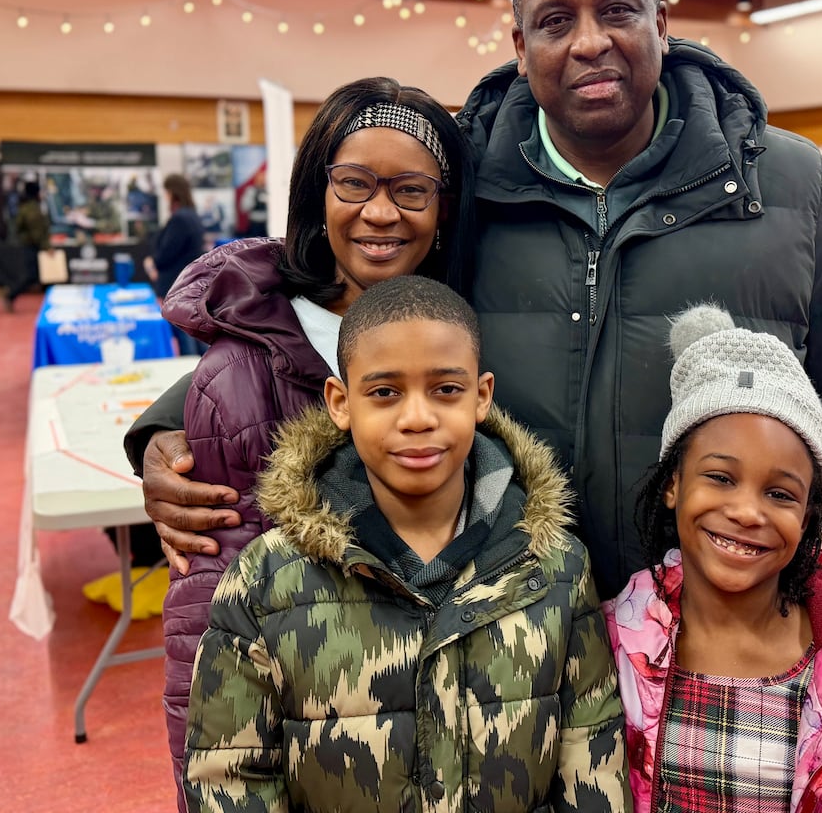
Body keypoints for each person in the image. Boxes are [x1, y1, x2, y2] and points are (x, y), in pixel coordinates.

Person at [126, 0, 822, 808]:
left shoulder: (796, 195)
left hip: (710, 668)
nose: (590, 42)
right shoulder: (463, 187)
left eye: (618, 9)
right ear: (520, 44)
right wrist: (170, 423)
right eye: (556, 20)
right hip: (514, 664)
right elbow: (329, 300)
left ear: (662, 19)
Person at [182, 274, 631, 812]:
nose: (417, 418)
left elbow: (592, 760)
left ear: (481, 396)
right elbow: (229, 778)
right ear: (340, 402)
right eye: (384, 393)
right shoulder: (268, 582)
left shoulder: (555, 568)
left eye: (446, 390)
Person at [151, 77, 476, 808]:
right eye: (354, 183)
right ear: (316, 194)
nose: (380, 212)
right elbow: (206, 632)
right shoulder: (242, 378)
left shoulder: (462, 342)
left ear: (445, 209)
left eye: (412, 190)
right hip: (314, 756)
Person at [604, 305, 822, 813]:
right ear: (673, 483)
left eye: (780, 494)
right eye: (720, 477)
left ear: (809, 517)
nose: (746, 512)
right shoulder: (610, 646)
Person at [144, 173, 206, 355]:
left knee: (185, 336)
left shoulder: (180, 219)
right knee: (194, 333)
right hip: (190, 284)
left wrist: (153, 263)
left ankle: (191, 370)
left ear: (172, 192)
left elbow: (166, 252)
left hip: (177, 285)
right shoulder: (192, 216)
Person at [4, 179, 51, 312]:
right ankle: (11, 295)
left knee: (38, 276)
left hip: (30, 246)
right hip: (32, 247)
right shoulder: (32, 209)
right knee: (31, 276)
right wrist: (47, 247)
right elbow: (37, 232)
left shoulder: (26, 206)